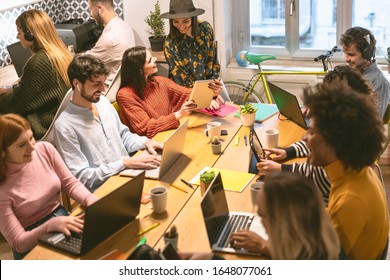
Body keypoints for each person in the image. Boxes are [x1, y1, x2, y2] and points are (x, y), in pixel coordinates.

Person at [256, 65, 376, 206]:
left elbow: (318, 177)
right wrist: (288, 151)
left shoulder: (347, 137)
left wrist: (281, 169)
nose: (305, 137)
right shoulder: (349, 123)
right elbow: (317, 142)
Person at [302, 82, 388, 259]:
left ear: (334, 141)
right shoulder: (358, 173)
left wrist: (267, 247)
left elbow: (319, 261)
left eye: (311, 132)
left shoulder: (351, 199)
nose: (305, 138)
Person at [53, 54, 163, 192]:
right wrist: (124, 163)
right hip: (106, 190)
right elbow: (81, 177)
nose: (103, 89)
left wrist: (146, 142)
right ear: (77, 84)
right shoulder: (64, 126)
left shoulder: (103, 103)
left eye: (104, 82)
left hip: (128, 176)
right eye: (96, 84)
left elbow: (123, 136)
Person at [0, 114, 98, 260]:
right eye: (21, 145)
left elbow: (70, 184)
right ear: (3, 152)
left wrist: (91, 200)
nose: (32, 147)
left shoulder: (45, 149)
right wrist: (49, 226)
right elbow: (18, 242)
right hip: (32, 242)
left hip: (62, 220)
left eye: (31, 138)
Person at [182, 173, 340, 260]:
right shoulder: (318, 244)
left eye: (263, 214)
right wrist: (211, 260)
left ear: (284, 224)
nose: (257, 215)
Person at [117, 46, 222, 138]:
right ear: (139, 69)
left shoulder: (159, 81)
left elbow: (187, 94)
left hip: (170, 134)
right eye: (150, 60)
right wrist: (178, 114)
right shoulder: (125, 95)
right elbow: (146, 129)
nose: (155, 59)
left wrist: (212, 93)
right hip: (148, 145)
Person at [0, 9, 73, 139]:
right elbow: (33, 92)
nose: (17, 37)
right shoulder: (61, 53)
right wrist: (11, 90)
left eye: (19, 32)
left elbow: (16, 104)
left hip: (44, 125)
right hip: (61, 120)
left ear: (30, 34)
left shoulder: (38, 62)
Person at [161, 0, 229, 101]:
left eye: (185, 21)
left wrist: (214, 89)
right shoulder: (170, 43)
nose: (181, 26)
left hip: (209, 88)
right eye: (175, 21)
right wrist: (205, 97)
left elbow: (212, 59)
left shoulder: (206, 28)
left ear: (193, 18)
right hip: (185, 93)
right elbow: (181, 77)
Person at [340, 26, 390, 118]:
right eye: (344, 53)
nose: (346, 59)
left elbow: (373, 123)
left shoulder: (379, 83)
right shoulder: (349, 74)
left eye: (351, 54)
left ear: (367, 53)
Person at [86, 0, 135, 86]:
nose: (91, 14)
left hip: (107, 92)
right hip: (125, 85)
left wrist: (71, 54)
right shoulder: (125, 26)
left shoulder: (109, 39)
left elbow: (85, 60)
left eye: (90, 9)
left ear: (100, 8)